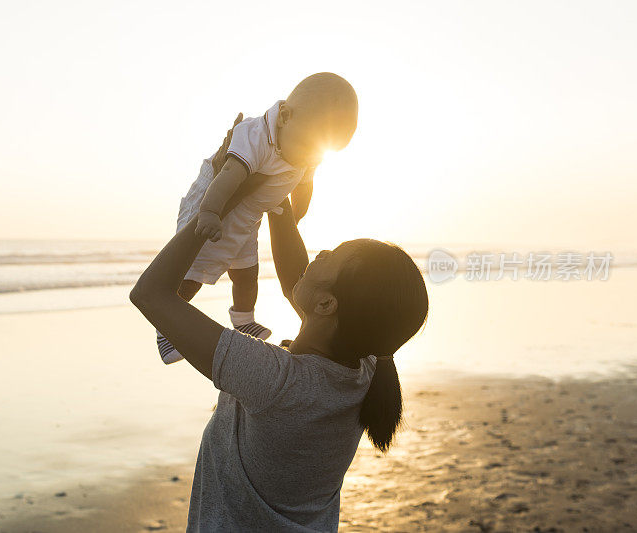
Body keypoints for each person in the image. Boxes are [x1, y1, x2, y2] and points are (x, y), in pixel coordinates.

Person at [130, 120, 429, 531]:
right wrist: (277, 192)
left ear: (327, 304)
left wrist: (225, 202)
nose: (320, 252)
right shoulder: (365, 369)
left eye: (333, 255)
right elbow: (297, 281)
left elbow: (151, 294)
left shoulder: (274, 380)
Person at [156, 72, 358, 364]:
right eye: (305, 149)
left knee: (247, 275)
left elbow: (305, 184)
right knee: (193, 276)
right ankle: (166, 329)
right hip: (215, 206)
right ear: (285, 116)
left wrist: (296, 215)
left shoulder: (305, 147)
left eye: (317, 154)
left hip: (247, 219)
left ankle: (243, 318)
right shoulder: (254, 136)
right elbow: (228, 175)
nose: (306, 160)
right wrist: (210, 213)